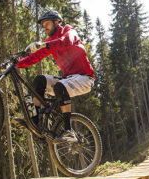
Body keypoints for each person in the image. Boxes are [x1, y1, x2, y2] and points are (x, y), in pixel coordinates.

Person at [15, 10, 95, 143]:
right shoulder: (50, 41)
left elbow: (66, 41)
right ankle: (37, 124)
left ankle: (69, 131)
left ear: (57, 22)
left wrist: (44, 44)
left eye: (47, 23)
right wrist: (15, 65)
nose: (44, 27)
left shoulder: (69, 31)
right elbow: (34, 57)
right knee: (39, 80)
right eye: (43, 25)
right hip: (68, 79)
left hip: (85, 78)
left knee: (60, 86)